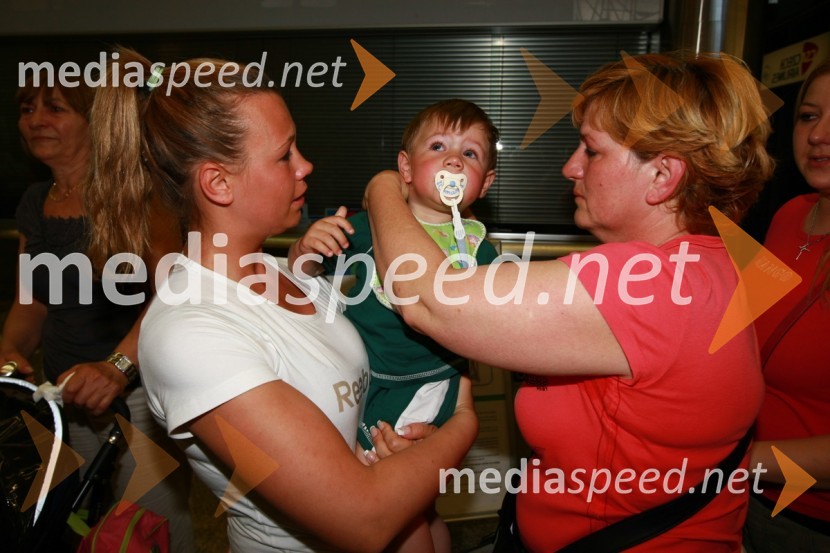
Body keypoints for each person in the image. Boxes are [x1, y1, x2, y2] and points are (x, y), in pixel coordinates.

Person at [364, 51, 775, 552]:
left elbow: (430, 301)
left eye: (592, 151)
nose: (570, 167)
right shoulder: (704, 265)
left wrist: (384, 185)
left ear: (663, 176)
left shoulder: (652, 284)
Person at [85, 47, 479, 553]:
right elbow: (365, 517)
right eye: (284, 155)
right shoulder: (190, 333)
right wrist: (461, 429)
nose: (305, 165)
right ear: (218, 183)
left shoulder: (287, 272)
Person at [288, 98, 499, 552]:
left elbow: (486, 330)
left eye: (471, 154)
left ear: (485, 184)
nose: (453, 160)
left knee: (391, 500)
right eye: (439, 146)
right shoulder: (367, 227)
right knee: (419, 507)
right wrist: (306, 247)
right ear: (405, 167)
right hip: (362, 377)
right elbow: (303, 277)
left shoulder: (482, 253)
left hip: (424, 386)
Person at [0, 72, 193, 551]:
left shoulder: (137, 196)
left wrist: (116, 367)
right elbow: (32, 300)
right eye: (27, 109)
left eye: (55, 108)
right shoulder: (34, 202)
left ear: (95, 123)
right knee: (75, 529)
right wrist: (8, 350)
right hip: (63, 399)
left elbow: (176, 293)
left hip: (138, 400)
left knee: (152, 531)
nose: (36, 120)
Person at [743, 60, 830, 552]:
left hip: (810, 525)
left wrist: (729, 455)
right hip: (748, 497)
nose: (820, 135)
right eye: (809, 116)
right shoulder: (790, 214)